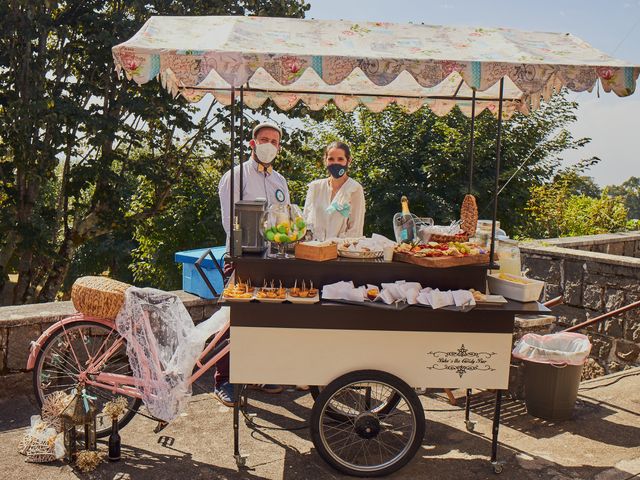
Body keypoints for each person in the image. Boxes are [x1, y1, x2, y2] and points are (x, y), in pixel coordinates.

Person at [214, 122, 289, 407]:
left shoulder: (280, 180)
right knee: (233, 322)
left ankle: (259, 373)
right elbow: (228, 220)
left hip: (273, 260)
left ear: (279, 148)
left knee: (267, 320)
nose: (268, 144)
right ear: (252, 143)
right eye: (263, 139)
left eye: (274, 141)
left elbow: (285, 219)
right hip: (242, 258)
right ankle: (224, 381)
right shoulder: (236, 176)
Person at [303, 141, 365, 241]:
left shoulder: (355, 189)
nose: (335, 163)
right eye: (331, 159)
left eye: (340, 159)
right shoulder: (315, 187)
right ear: (325, 161)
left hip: (340, 252)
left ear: (348, 161)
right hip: (314, 249)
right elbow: (305, 221)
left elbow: (355, 230)